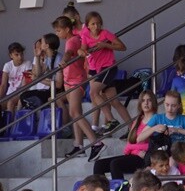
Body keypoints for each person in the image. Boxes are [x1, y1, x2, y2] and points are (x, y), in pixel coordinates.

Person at [54, 16, 105, 161]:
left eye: (59, 30)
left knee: (75, 113)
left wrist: (63, 61)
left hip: (77, 81)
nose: (58, 34)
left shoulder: (73, 40)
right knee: (75, 113)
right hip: (70, 81)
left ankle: (96, 143)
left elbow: (69, 53)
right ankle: (79, 145)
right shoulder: (72, 39)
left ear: (67, 29)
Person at [78, 11, 129, 134]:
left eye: (98, 23)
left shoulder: (105, 34)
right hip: (96, 69)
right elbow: (82, 48)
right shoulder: (86, 36)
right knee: (114, 101)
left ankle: (111, 120)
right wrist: (81, 51)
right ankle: (133, 127)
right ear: (88, 25)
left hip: (108, 68)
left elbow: (122, 47)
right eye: (93, 24)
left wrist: (106, 45)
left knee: (93, 92)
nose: (96, 26)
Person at [92, 90, 158, 180]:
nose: (146, 103)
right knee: (99, 164)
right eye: (143, 100)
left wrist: (133, 149)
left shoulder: (157, 120)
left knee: (115, 164)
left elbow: (153, 145)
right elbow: (130, 142)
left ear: (153, 102)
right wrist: (136, 151)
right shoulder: (138, 120)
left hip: (145, 158)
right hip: (135, 154)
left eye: (149, 100)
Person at [1, 42, 32, 113]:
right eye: (17, 55)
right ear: (11, 55)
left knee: (10, 103)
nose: (20, 57)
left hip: (21, 93)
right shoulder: (7, 65)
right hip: (10, 94)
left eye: (21, 54)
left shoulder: (27, 64)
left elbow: (25, 85)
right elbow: (3, 85)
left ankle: (11, 124)